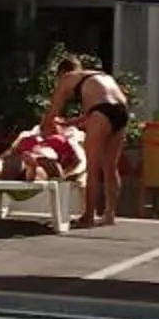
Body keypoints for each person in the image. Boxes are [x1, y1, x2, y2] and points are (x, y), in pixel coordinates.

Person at [45, 55, 129, 229]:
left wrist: (44, 129)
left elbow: (52, 112)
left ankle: (88, 216)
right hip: (122, 112)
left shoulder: (67, 78)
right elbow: (98, 110)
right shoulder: (100, 77)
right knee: (110, 166)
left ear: (62, 72)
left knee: (92, 167)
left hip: (101, 113)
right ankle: (110, 215)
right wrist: (69, 123)